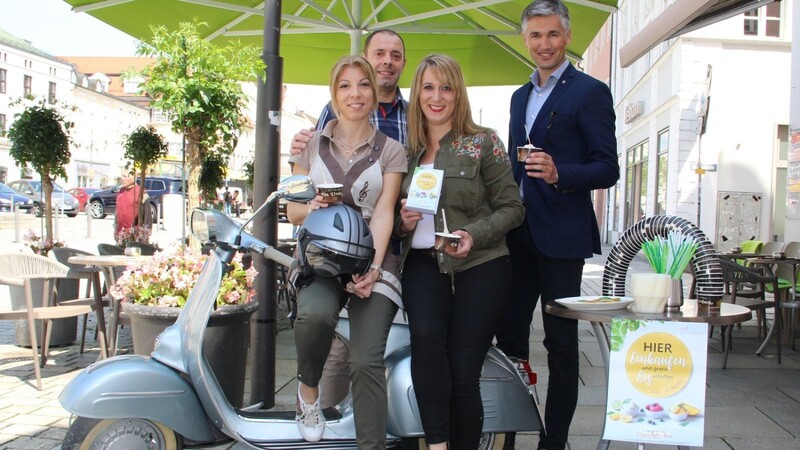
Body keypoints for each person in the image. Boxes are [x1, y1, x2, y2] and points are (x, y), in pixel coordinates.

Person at [494, 2, 620, 450]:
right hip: (517, 233)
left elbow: (608, 168)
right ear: (524, 40)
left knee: (562, 345)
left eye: (551, 35)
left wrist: (559, 172)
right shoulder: (518, 97)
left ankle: (555, 442)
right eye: (534, 36)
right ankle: (506, 435)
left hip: (562, 238)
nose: (543, 44)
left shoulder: (589, 91)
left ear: (566, 37)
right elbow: (511, 167)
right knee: (509, 337)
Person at [396, 54, 524, 450]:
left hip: (481, 263)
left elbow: (513, 208)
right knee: (426, 342)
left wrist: (473, 232)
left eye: (446, 88)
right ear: (417, 95)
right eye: (428, 88)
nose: (437, 97)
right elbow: (396, 220)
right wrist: (404, 220)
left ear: (458, 94)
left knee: (464, 371)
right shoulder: (406, 152)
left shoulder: (484, 142)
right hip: (423, 264)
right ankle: (436, 444)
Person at [287, 55, 407, 449]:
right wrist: (312, 207)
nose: (355, 93)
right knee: (315, 314)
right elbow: (293, 210)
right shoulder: (311, 144)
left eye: (363, 84)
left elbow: (385, 212)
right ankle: (308, 395)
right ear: (333, 94)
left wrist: (372, 269)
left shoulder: (391, 150)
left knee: (365, 360)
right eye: (345, 85)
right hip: (321, 260)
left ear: (375, 92)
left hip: (373, 260)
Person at [114, 173, 142, 239]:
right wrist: (115, 228)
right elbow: (117, 211)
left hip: (134, 234)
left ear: (133, 177)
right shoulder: (121, 191)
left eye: (125, 176)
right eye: (122, 176)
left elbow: (146, 215)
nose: (122, 179)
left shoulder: (140, 192)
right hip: (120, 233)